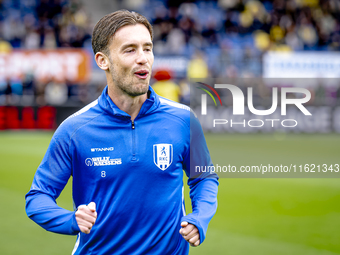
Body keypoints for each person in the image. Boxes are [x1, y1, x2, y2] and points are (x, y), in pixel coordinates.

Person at [25, 10, 218, 255]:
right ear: (103, 60)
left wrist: (200, 217)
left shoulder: (182, 120)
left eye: (147, 48)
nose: (143, 58)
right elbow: (38, 197)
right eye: (130, 50)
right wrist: (71, 220)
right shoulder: (75, 129)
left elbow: (203, 178)